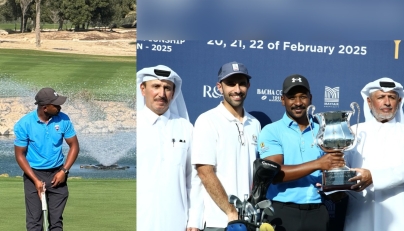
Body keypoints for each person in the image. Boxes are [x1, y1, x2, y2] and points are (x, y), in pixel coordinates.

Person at [256, 74, 346, 231]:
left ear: (310, 98)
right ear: (282, 99)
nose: (298, 103)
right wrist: (319, 164)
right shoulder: (271, 131)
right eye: (292, 97)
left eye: (303, 97)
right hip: (281, 212)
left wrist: (338, 185)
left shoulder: (324, 132)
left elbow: (333, 179)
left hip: (318, 212)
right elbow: (275, 174)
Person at [192, 61, 261, 230]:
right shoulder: (207, 120)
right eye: (230, 84)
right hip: (220, 222)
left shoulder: (255, 124)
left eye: (242, 84)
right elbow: (205, 172)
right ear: (219, 87)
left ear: (248, 86)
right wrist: (231, 211)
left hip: (250, 221)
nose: (237, 90)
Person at [136, 65, 203, 231]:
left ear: (173, 93)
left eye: (167, 88)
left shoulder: (186, 128)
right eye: (156, 86)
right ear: (143, 89)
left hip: (176, 221)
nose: (161, 94)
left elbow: (194, 178)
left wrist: (194, 220)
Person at [14, 87, 80, 231]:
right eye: (56, 105)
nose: (59, 107)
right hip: (33, 175)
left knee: (56, 223)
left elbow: (74, 145)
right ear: (45, 108)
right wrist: (36, 180)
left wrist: (64, 171)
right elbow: (20, 155)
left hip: (58, 174)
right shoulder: (25, 124)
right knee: (34, 224)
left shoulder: (63, 119)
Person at [344, 77, 404, 231]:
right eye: (381, 97)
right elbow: (344, 168)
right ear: (369, 102)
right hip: (361, 213)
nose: (387, 102)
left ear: (400, 101)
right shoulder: (354, 131)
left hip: (398, 212)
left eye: (391, 97)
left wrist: (374, 177)